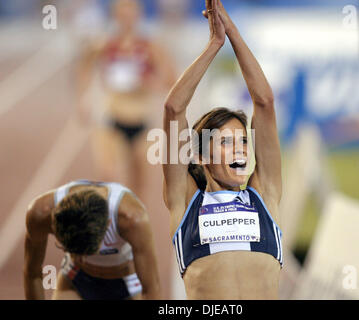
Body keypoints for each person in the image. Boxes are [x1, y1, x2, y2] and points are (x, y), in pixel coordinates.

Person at [162, 0, 283, 299]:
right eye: (226, 142)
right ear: (201, 155)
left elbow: (265, 102)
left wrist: (232, 33)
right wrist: (214, 44)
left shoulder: (264, 194)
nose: (240, 150)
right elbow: (174, 108)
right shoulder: (186, 201)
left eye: (243, 141)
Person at [77, 0, 176, 201]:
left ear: (138, 16)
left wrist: (148, 82)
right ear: (115, 17)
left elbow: (171, 80)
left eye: (130, 15)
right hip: (111, 119)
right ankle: (107, 224)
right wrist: (83, 98)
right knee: (107, 177)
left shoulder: (150, 47)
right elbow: (85, 66)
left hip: (141, 122)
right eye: (122, 15)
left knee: (138, 186)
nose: (126, 20)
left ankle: (132, 225)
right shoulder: (105, 44)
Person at [23, 180, 160, 300]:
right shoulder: (40, 214)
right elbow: (32, 273)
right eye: (73, 252)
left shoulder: (132, 219)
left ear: (108, 224)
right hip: (76, 281)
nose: (82, 259)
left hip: (128, 287)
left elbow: (151, 288)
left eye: (88, 252)